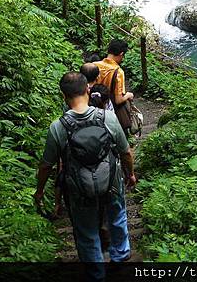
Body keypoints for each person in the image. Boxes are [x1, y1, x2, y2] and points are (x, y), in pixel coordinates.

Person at [34, 72, 136, 264]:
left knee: (86, 231)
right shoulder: (108, 118)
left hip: (79, 188)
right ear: (88, 89)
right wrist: (130, 174)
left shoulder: (58, 127)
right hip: (111, 181)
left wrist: (39, 191)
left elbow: (46, 165)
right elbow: (125, 152)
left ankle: (95, 271)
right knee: (117, 218)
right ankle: (120, 257)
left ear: (63, 95)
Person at [93, 40, 133, 106]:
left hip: (91, 104)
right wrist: (128, 95)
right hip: (108, 107)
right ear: (121, 54)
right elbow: (118, 100)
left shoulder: (94, 65)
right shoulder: (118, 72)